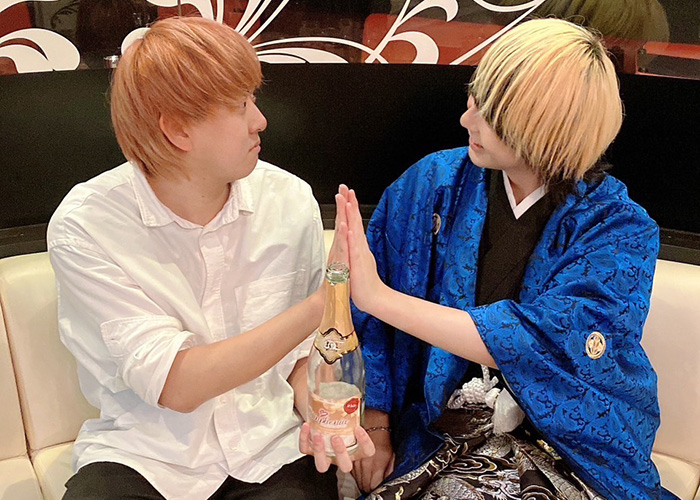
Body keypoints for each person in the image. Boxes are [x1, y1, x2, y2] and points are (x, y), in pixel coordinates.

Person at [340, 18, 676, 500]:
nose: (467, 120)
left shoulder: (618, 230)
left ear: (545, 131)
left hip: (568, 449)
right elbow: (367, 327)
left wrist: (378, 297)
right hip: (441, 431)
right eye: (474, 98)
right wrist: (376, 422)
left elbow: (540, 343)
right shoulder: (431, 184)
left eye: (491, 115)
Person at [48, 16, 372, 500]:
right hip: (147, 456)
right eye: (240, 105)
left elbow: (298, 360)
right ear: (178, 130)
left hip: (271, 450)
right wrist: (331, 296)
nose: (260, 120)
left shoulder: (288, 200)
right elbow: (177, 384)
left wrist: (322, 418)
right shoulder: (88, 225)